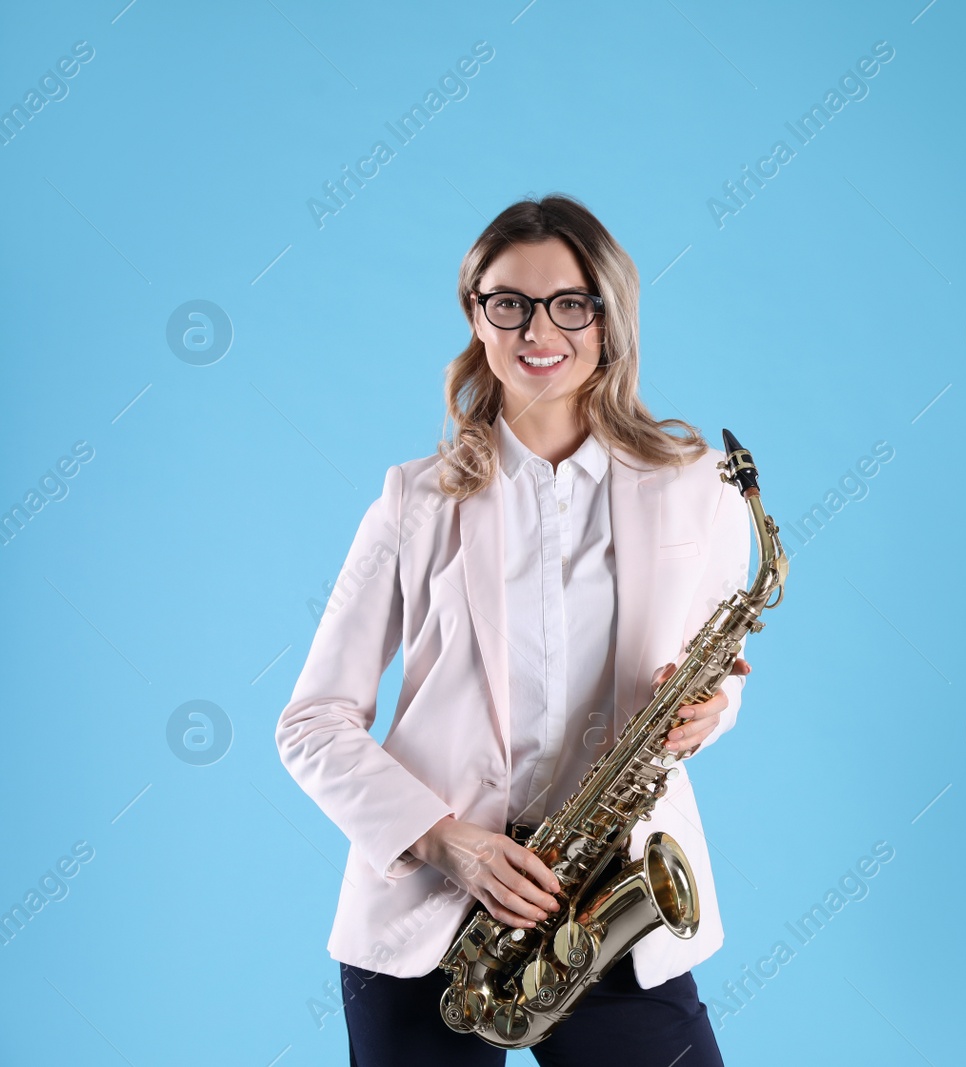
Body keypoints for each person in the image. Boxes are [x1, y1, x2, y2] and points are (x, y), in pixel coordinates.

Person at [275, 194, 753, 1066]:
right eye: (510, 303)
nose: (542, 329)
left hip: (610, 896)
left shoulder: (696, 486)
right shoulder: (411, 502)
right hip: (429, 914)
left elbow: (721, 671)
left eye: (571, 303)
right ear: (476, 317)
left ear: (610, 317)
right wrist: (443, 839)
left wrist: (710, 708)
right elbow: (310, 724)